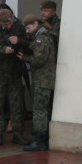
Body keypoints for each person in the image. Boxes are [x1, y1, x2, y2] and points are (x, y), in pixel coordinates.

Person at [0, 7, 28, 146]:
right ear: (0, 22)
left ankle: (18, 133)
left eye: (10, 23)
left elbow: (29, 44)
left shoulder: (19, 26)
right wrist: (3, 50)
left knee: (16, 104)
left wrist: (19, 41)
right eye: (5, 25)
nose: (9, 26)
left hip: (15, 71)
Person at [18, 14, 56, 151]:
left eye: (28, 28)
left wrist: (25, 57)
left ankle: (40, 142)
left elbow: (39, 59)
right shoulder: (43, 36)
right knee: (44, 110)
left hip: (42, 80)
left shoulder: (41, 38)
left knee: (39, 111)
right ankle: (43, 140)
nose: (27, 31)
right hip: (45, 80)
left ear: (35, 24)